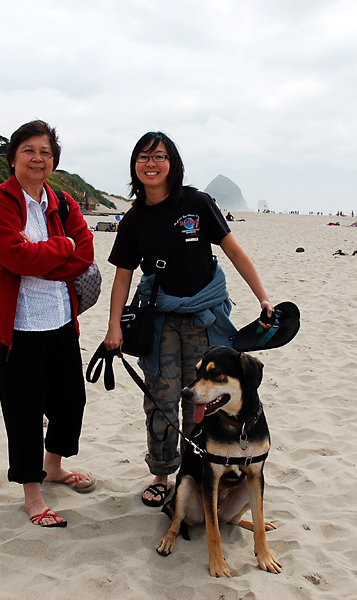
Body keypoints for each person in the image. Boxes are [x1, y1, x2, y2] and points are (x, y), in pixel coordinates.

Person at [104, 131, 275, 508]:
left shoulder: (197, 203)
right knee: (162, 399)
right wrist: (114, 325)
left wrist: (262, 295)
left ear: (173, 164)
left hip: (204, 318)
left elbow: (232, 250)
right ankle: (162, 473)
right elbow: (122, 275)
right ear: (135, 165)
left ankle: (201, 470)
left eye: (160, 156)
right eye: (144, 157)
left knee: (202, 401)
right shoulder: (133, 220)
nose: (151, 163)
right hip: (161, 321)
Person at [0, 120, 96, 528]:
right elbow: (14, 257)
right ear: (13, 158)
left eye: (45, 152)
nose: (37, 158)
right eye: (28, 150)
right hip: (19, 326)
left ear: (54, 161)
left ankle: (54, 466)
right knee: (24, 413)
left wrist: (42, 255)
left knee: (70, 403)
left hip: (61, 320)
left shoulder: (62, 202)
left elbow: (85, 254)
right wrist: (59, 248)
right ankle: (32, 494)